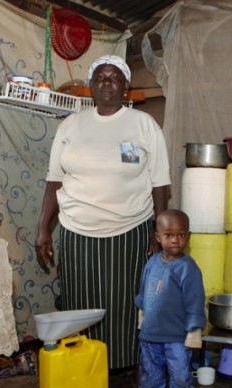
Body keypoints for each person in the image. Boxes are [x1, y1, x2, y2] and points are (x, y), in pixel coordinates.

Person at [35, 55, 171, 372]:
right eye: (100, 76)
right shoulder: (71, 126)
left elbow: (160, 184)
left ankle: (127, 367)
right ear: (92, 85)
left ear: (125, 87)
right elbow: (54, 181)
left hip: (130, 229)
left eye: (114, 76)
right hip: (76, 231)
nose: (107, 81)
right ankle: (85, 365)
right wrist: (43, 227)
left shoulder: (143, 125)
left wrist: (158, 231)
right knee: (80, 303)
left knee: (127, 304)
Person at [134, 209, 206, 388]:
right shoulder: (152, 263)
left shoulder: (189, 269)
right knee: (150, 369)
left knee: (180, 373)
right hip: (151, 333)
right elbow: (144, 292)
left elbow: (195, 302)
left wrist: (194, 332)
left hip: (176, 336)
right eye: (169, 235)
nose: (176, 239)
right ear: (158, 237)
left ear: (188, 236)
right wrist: (142, 316)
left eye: (181, 234)